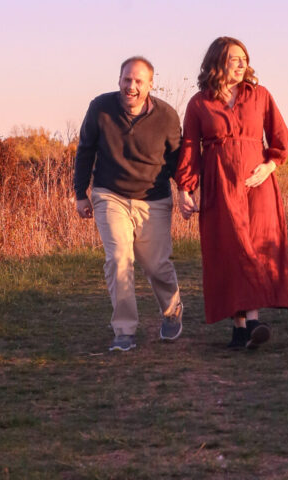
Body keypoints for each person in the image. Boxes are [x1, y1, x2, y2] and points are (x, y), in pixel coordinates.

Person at [175, 37, 288, 349]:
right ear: (217, 62)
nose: (241, 65)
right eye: (233, 59)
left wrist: (269, 167)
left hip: (258, 187)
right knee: (229, 250)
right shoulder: (199, 103)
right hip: (219, 187)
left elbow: (280, 138)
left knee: (255, 247)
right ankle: (241, 326)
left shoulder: (260, 96)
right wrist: (186, 189)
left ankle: (249, 324)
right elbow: (190, 149)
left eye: (244, 59)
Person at [74, 56, 184, 352]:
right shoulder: (100, 109)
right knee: (119, 259)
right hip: (110, 195)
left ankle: (172, 310)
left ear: (150, 85)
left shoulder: (167, 116)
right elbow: (84, 150)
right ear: (119, 80)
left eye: (138, 81)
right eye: (127, 80)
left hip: (154, 199)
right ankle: (124, 330)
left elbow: (177, 162)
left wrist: (186, 191)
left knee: (155, 265)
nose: (131, 86)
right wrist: (80, 193)